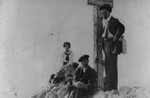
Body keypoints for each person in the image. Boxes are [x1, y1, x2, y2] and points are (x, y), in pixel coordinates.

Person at [99, 4, 125, 90]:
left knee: (112, 66)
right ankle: (109, 86)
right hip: (104, 43)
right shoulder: (101, 20)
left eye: (105, 12)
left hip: (111, 43)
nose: (103, 14)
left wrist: (116, 37)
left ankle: (113, 87)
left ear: (109, 12)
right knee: (107, 65)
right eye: (102, 13)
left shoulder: (114, 20)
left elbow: (122, 28)